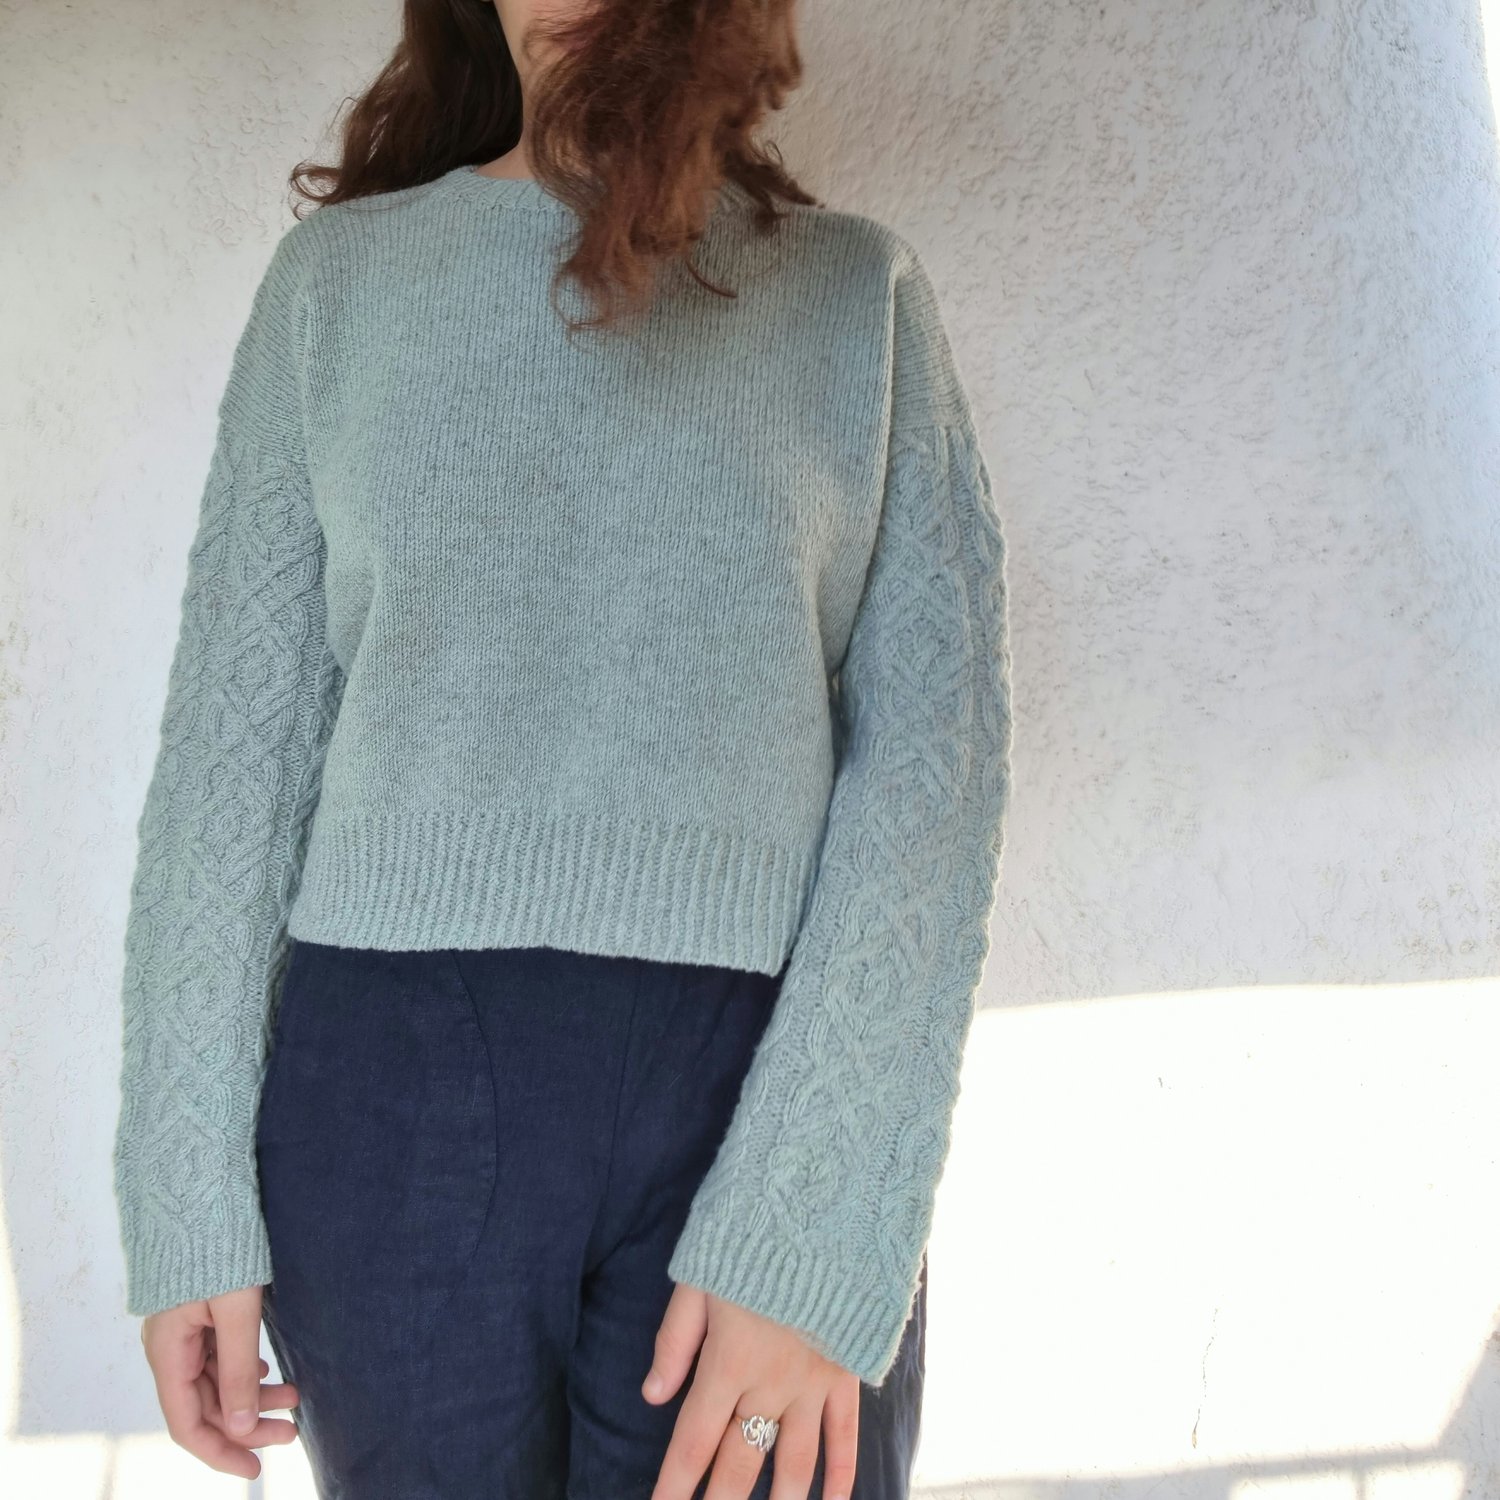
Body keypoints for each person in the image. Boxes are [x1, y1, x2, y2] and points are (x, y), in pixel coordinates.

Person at [110, 1, 1014, 1496]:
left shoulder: (858, 300)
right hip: (385, 1100)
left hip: (754, 1093)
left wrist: (817, 1225)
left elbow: (937, 780)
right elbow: (232, 765)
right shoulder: (338, 291)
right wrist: (181, 1195)